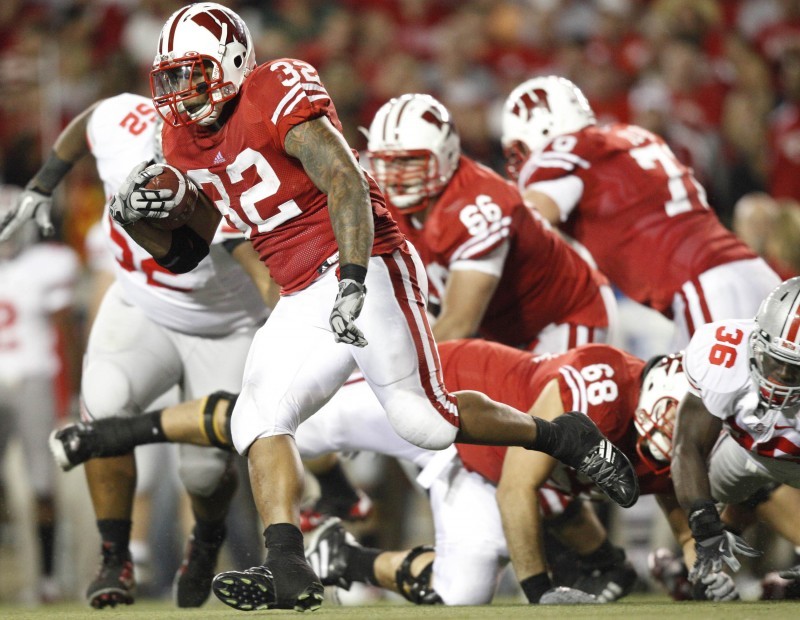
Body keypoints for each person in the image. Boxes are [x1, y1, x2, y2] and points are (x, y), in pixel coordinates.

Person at [107, 3, 638, 612]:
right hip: (300, 287)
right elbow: (187, 252)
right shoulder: (179, 136)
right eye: (170, 77)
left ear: (229, 63)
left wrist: (355, 277)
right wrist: (137, 220)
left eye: (191, 74)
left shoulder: (273, 88)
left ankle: (561, 435)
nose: (179, 92)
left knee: (425, 421)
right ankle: (286, 565)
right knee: (256, 419)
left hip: (367, 259)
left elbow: (344, 181)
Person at [55, 339, 800, 604]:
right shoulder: (603, 382)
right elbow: (522, 483)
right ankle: (120, 430)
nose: (669, 443)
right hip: (436, 400)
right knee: (272, 417)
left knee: (464, 590)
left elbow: (678, 502)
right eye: (667, 428)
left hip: (469, 466)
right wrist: (540, 592)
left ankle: (341, 556)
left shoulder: (663, 444)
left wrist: (710, 570)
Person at [0, 91, 273, 608]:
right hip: (140, 303)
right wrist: (43, 184)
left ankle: (207, 537)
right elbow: (86, 123)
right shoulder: (122, 126)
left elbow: (264, 275)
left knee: (203, 471)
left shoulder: (233, 172)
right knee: (102, 408)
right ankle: (114, 555)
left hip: (224, 325)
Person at [501, 75, 781, 350]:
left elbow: (526, 220)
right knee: (675, 391)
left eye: (521, 148)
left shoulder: (567, 154)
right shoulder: (632, 136)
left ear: (542, 129)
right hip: (751, 274)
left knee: (708, 393)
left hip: (708, 289)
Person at [365, 93, 616, 351]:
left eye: (410, 160)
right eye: (387, 161)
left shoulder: (478, 205)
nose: (396, 174)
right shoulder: (379, 197)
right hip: (500, 328)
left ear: (447, 155)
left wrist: (385, 367)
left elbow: (458, 324)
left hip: (562, 317)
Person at [672, 277, 800, 595]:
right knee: (667, 451)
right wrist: (703, 523)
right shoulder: (724, 349)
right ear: (756, 340)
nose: (782, 377)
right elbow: (687, 445)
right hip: (739, 451)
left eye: (795, 369)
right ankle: (686, 564)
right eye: (775, 361)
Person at [0, 185, 81, 603]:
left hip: (34, 375)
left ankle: (48, 579)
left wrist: (71, 393)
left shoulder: (45, 265)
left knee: (41, 483)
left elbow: (66, 333)